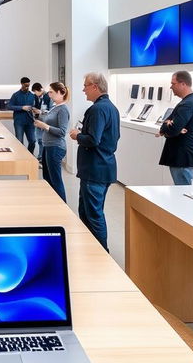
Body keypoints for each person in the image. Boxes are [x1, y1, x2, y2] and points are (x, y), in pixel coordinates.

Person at [69, 72, 119, 252]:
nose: (83, 90)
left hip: (95, 169)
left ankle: (101, 254)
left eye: (86, 86)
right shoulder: (111, 108)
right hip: (103, 167)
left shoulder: (97, 109)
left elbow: (93, 139)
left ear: (95, 87)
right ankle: (92, 250)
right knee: (87, 212)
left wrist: (77, 135)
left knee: (93, 214)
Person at [157, 70, 193, 185]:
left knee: (185, 193)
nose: (171, 87)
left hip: (183, 156)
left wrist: (168, 128)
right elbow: (166, 124)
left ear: (183, 84)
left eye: (173, 84)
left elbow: (173, 129)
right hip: (182, 155)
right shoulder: (188, 102)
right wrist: (167, 125)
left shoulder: (187, 104)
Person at [34, 82, 69, 202]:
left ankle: (62, 206)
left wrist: (45, 126)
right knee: (48, 178)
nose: (49, 94)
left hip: (55, 147)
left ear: (60, 93)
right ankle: (52, 203)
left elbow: (62, 132)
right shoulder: (55, 107)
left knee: (55, 180)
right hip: (48, 146)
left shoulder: (63, 109)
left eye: (51, 92)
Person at [8, 77, 36, 153]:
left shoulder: (32, 95)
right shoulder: (15, 95)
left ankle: (30, 156)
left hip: (30, 122)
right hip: (19, 122)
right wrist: (22, 107)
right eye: (26, 85)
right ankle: (22, 158)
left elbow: (36, 106)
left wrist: (34, 109)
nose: (27, 87)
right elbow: (9, 106)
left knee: (33, 141)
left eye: (28, 85)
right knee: (20, 142)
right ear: (22, 84)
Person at [32, 82, 52, 160]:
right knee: (39, 140)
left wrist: (40, 111)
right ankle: (40, 157)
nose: (35, 94)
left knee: (44, 141)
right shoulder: (37, 97)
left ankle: (43, 157)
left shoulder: (48, 97)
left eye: (35, 92)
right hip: (38, 121)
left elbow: (50, 110)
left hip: (45, 122)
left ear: (40, 89)